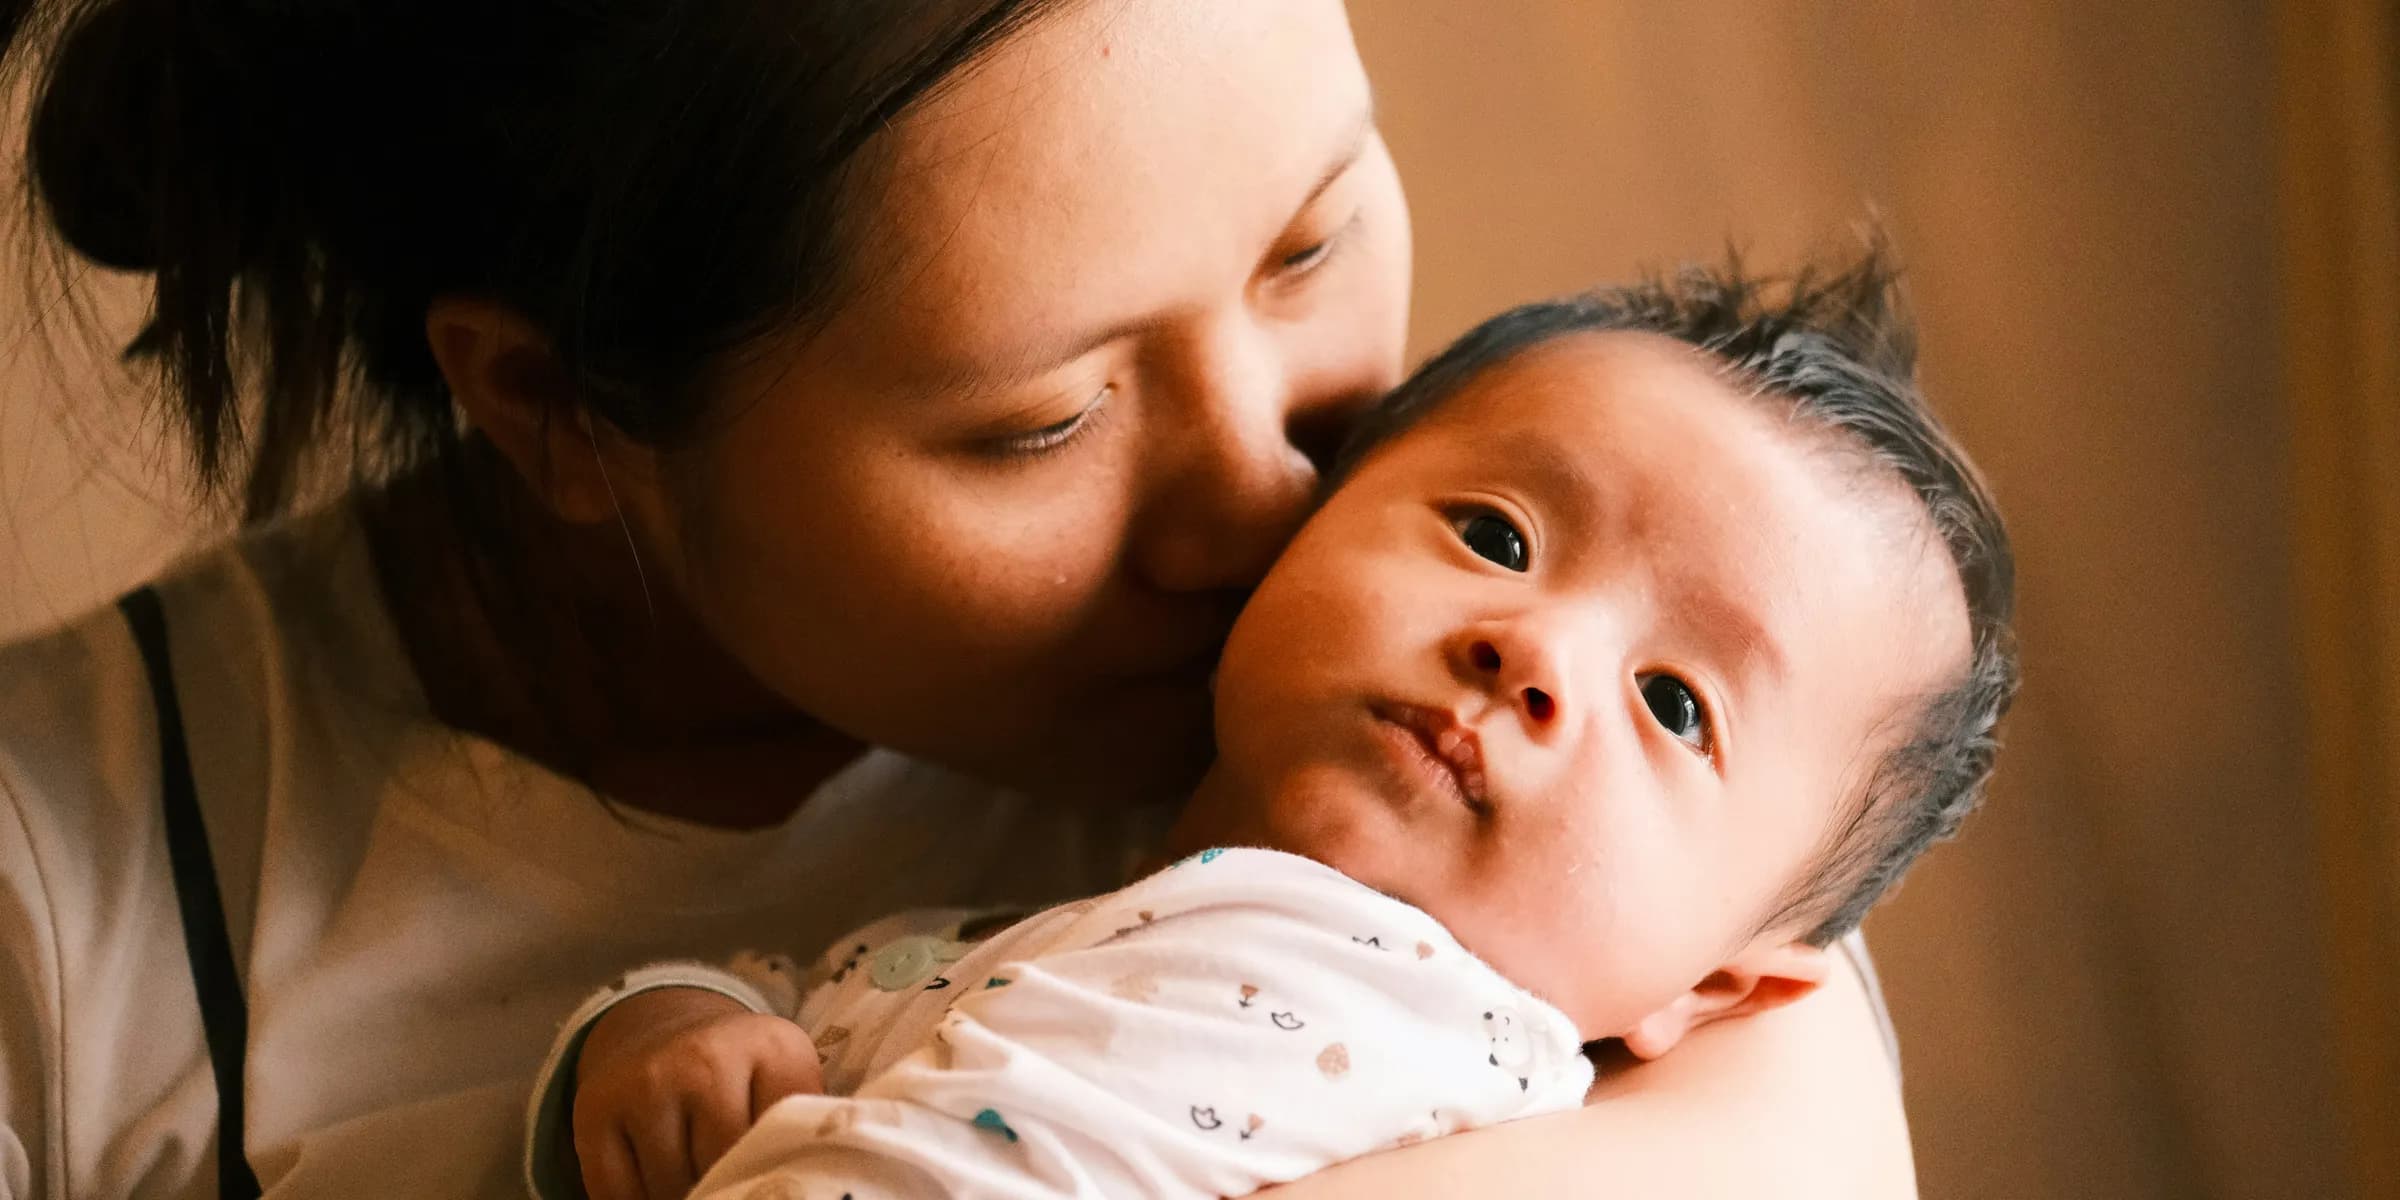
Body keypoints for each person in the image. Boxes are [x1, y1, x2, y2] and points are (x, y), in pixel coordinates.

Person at [0, 0, 1923, 1196]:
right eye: (1046, 420)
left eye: (1314, 233)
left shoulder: (1524, 783)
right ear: (558, 408)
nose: (1265, 495)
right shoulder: (67, 903)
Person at [533, 253, 2018, 1200]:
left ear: (1718, 990)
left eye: (1676, 704)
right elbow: (815, 1023)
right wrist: (665, 1031)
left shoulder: (1413, 1040)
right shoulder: (1083, 914)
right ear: (1305, 516)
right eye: (1497, 537)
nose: (1534, 647)